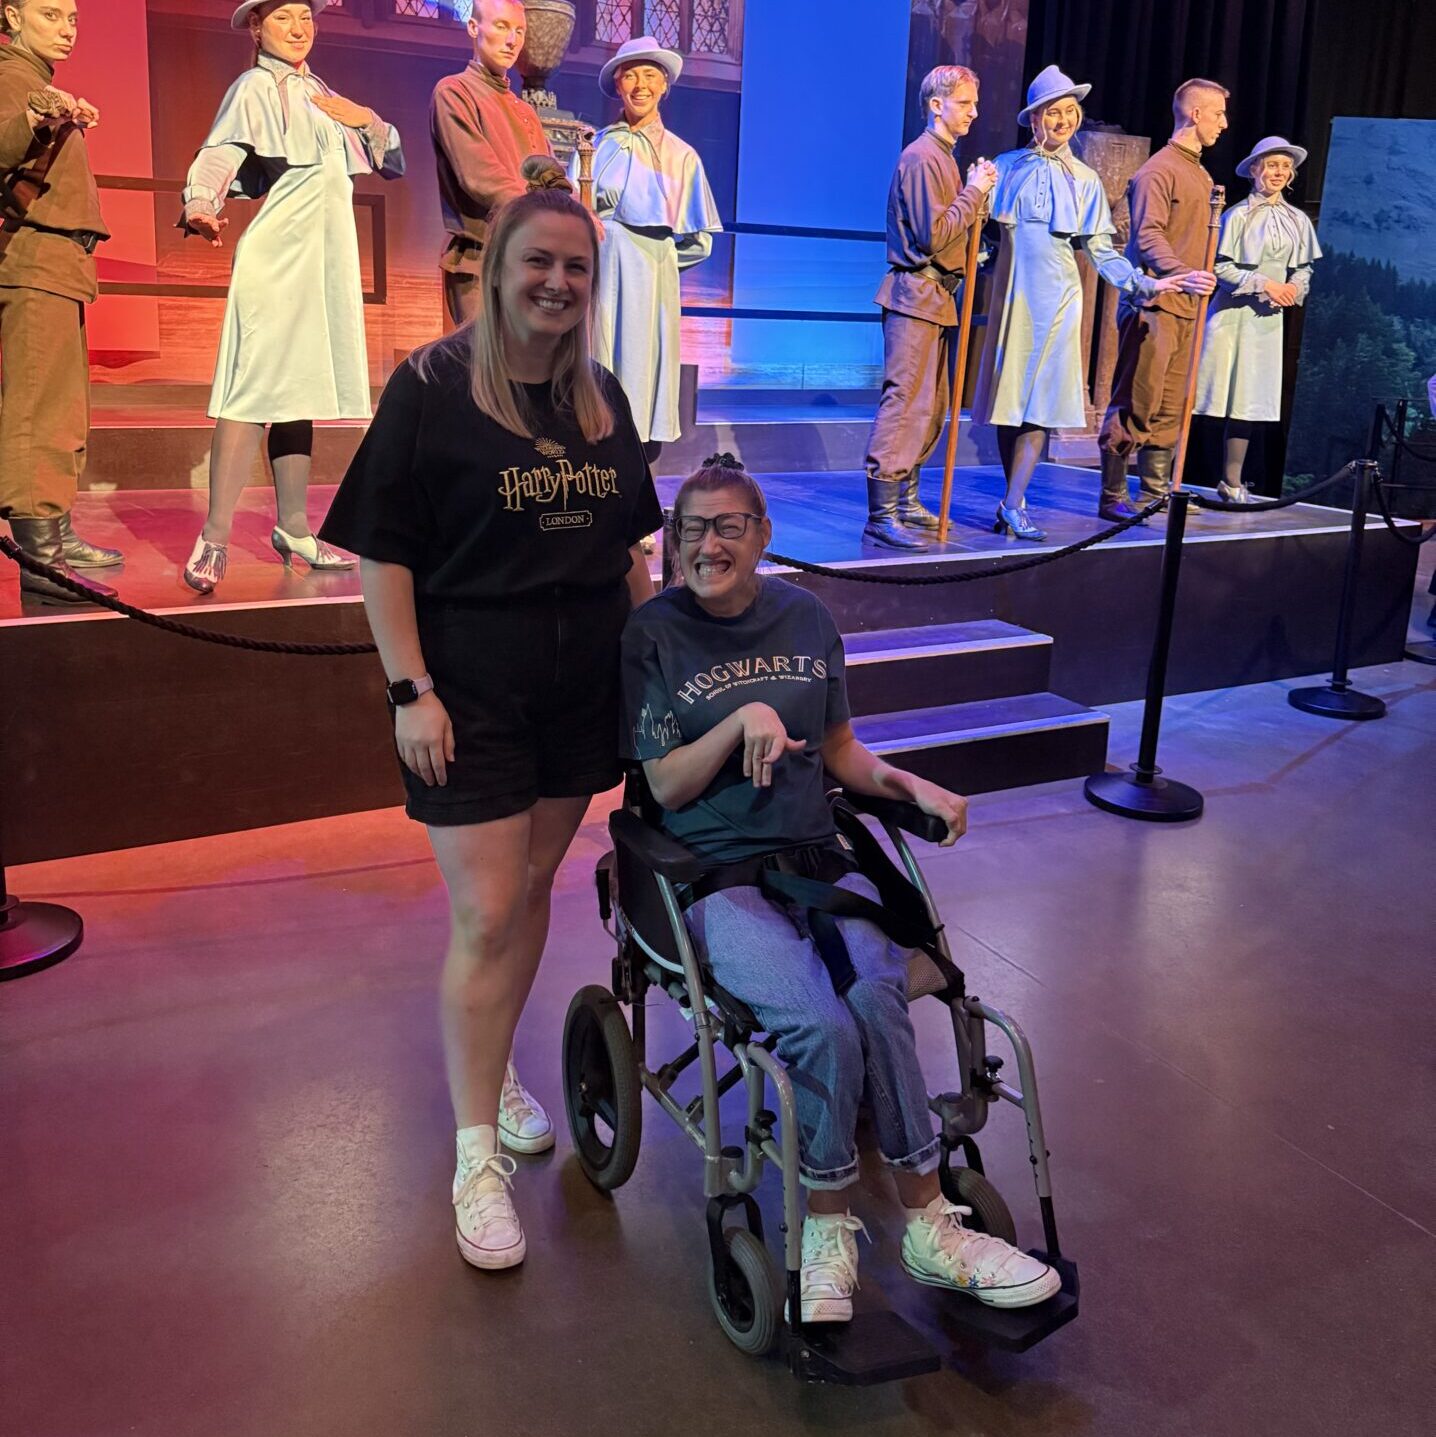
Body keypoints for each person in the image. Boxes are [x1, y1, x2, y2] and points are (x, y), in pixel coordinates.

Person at [621, 454, 1062, 1319]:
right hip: (712, 874)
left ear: (763, 536)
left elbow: (842, 754)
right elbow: (664, 785)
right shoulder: (654, 634)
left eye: (727, 526)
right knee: (817, 1022)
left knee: (876, 994)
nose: (707, 545)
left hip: (816, 861)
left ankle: (930, 1223)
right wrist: (741, 723)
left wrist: (910, 786)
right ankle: (824, 1224)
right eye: (691, 528)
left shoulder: (807, 616)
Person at [318, 163, 661, 1273]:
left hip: (580, 694)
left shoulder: (597, 397)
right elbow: (384, 552)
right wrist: (408, 689)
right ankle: (475, 1153)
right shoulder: (430, 385)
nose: (556, 283)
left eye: (575, 267)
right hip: (467, 695)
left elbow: (630, 558)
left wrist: (652, 681)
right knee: (485, 912)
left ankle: (495, 1069)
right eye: (538, 264)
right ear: (497, 272)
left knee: (526, 902)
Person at [179, 1, 404, 596]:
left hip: (325, 257)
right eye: (284, 17)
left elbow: (391, 159)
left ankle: (295, 528)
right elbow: (220, 153)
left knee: (298, 387)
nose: (300, 27)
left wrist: (367, 118)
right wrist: (201, 202)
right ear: (257, 28)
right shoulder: (254, 86)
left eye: (306, 15)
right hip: (279, 251)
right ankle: (216, 535)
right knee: (253, 386)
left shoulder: (322, 89)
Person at [971, 66, 1191, 540]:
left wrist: (1146, 285)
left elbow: (1101, 252)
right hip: (1015, 298)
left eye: (1071, 112)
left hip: (1059, 298)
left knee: (1039, 406)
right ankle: (1015, 498)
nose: (1064, 120)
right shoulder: (1005, 167)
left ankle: (1012, 503)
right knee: (1012, 404)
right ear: (1035, 118)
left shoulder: (1086, 179)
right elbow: (982, 237)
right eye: (1054, 112)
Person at [0, 0, 122, 605]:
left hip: (59, 264)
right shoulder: (11, 77)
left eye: (72, 18)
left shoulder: (35, 82)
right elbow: (1, 143)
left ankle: (57, 532)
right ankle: (38, 557)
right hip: (34, 261)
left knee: (64, 411)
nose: (67, 28)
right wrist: (35, 109)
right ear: (12, 17)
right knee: (37, 410)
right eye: (50, 15)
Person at [862, 65, 997, 551]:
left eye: (975, 104)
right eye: (965, 103)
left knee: (932, 405)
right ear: (937, 104)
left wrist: (975, 209)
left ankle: (906, 496)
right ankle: (882, 511)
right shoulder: (921, 158)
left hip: (937, 297)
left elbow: (952, 233)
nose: (974, 113)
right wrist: (974, 192)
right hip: (914, 295)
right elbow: (932, 233)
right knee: (905, 403)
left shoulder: (944, 159)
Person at [575, 35, 722, 464]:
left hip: (650, 283)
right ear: (618, 85)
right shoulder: (595, 146)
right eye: (630, 75)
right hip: (598, 282)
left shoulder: (682, 157)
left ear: (663, 87)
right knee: (595, 371)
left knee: (641, 383)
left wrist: (657, 262)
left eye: (649, 76)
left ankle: (637, 500)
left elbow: (701, 240)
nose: (640, 84)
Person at [1097, 78, 1225, 520]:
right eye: (1218, 115)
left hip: (1187, 307)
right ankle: (1113, 494)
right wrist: (1180, 274)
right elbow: (1147, 235)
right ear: (1195, 115)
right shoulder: (1159, 170)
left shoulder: (1199, 170)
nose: (1223, 125)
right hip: (1154, 305)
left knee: (1172, 404)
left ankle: (1155, 490)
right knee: (1137, 400)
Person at [1194, 136, 1321, 501]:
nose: (1278, 172)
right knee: (1211, 398)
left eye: (1285, 166)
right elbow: (1220, 266)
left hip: (1266, 322)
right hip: (1231, 318)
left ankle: (1232, 482)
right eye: (1271, 165)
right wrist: (1265, 283)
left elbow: (1304, 269)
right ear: (1254, 170)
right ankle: (1178, 475)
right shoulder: (1237, 215)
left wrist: (1294, 289)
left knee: (1248, 402)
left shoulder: (1297, 220)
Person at [430, 0, 551, 328]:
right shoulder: (454, 92)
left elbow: (550, 178)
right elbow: (480, 177)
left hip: (528, 265)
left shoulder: (525, 112)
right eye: (501, 26)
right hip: (481, 264)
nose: (513, 40)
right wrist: (548, 215)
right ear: (473, 28)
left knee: (524, 373)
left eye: (520, 31)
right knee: (477, 373)